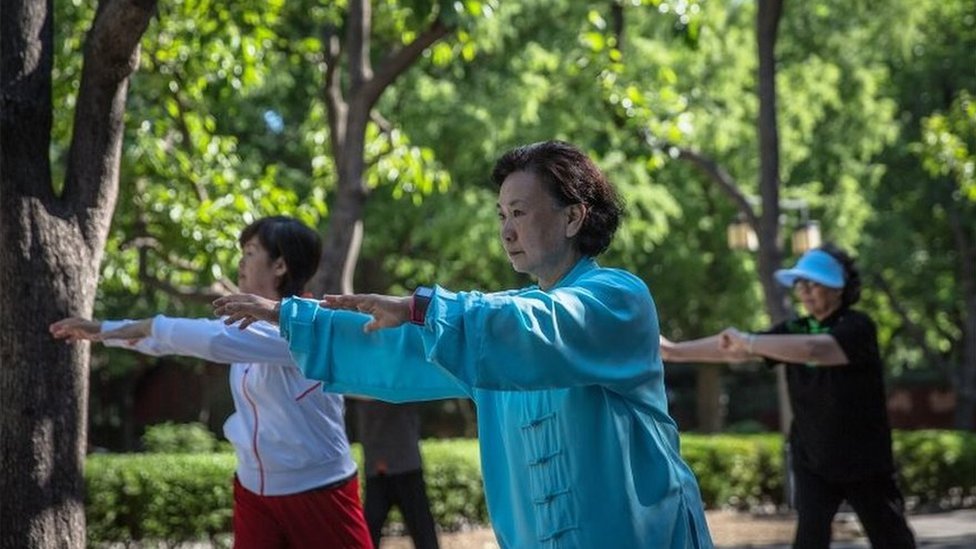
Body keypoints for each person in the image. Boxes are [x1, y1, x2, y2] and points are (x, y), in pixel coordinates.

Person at [213, 141, 714, 548]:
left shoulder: (619, 299)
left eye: (519, 212)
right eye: (501, 215)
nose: (507, 231)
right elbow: (402, 347)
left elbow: (533, 329)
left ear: (573, 217)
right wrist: (289, 315)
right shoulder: (487, 324)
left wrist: (419, 307)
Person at [50, 216, 373, 549]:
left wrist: (127, 327)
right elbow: (177, 340)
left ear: (279, 265)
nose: (241, 263)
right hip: (253, 491)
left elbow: (210, 339)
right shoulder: (246, 324)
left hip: (320, 489)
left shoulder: (306, 325)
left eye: (250, 252)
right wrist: (103, 331)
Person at [659, 244, 916, 549]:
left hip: (863, 458)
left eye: (813, 283)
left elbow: (815, 349)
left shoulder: (857, 326)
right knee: (809, 539)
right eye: (799, 283)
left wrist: (751, 342)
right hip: (812, 456)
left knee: (891, 538)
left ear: (839, 288)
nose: (804, 291)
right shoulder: (796, 327)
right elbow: (735, 348)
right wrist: (673, 351)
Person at [356, 400, 439, 549]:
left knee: (423, 532)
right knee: (368, 532)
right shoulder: (361, 388)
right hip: (378, 468)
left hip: (406, 465)